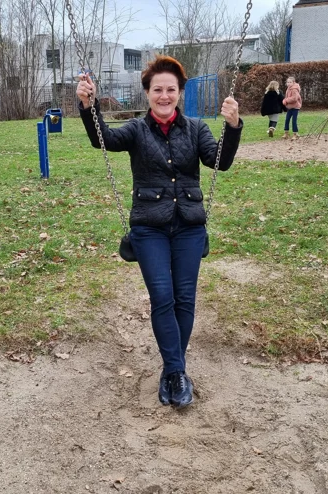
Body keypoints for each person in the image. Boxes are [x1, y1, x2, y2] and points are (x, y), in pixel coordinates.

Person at [75, 56, 243, 409]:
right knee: (162, 297)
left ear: (180, 93)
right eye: (157, 90)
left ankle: (172, 371)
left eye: (171, 89)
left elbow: (219, 163)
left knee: (184, 299)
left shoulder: (197, 128)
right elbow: (103, 140)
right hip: (149, 226)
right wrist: (87, 106)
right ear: (148, 93)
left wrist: (233, 127)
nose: (164, 96)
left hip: (189, 225)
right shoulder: (136, 130)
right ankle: (177, 371)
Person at [282, 76, 302, 140]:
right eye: (287, 82)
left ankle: (295, 134)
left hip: (295, 107)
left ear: (293, 82)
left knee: (294, 121)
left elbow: (295, 98)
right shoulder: (288, 88)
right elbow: (287, 97)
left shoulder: (294, 89)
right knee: (287, 120)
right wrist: (285, 100)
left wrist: (286, 100)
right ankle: (286, 133)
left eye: (290, 82)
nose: (288, 83)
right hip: (290, 107)